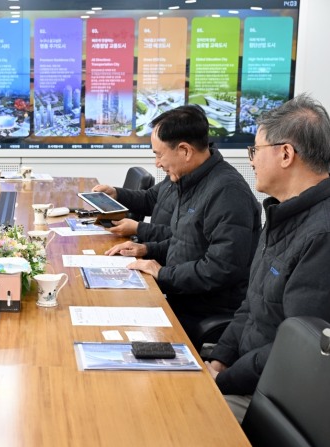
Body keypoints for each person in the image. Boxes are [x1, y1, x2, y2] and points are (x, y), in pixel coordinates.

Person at [205, 94, 330, 422]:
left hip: (274, 397)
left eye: (255, 151)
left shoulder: (321, 235)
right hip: (245, 374)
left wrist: (223, 381)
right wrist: (220, 359)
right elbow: (252, 305)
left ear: (286, 154)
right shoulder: (281, 215)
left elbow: (295, 348)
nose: (251, 161)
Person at [106, 105, 261, 341]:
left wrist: (162, 273)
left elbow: (220, 268)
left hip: (201, 310)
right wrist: (147, 250)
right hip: (179, 294)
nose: (157, 163)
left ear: (185, 151)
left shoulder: (227, 192)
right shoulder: (188, 180)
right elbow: (186, 242)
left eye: (159, 155)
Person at [92, 176, 175, 242]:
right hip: (154, 246)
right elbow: (149, 199)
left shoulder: (178, 179)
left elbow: (178, 237)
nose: (158, 164)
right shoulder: (172, 178)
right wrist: (117, 194)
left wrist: (139, 229)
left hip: (161, 252)